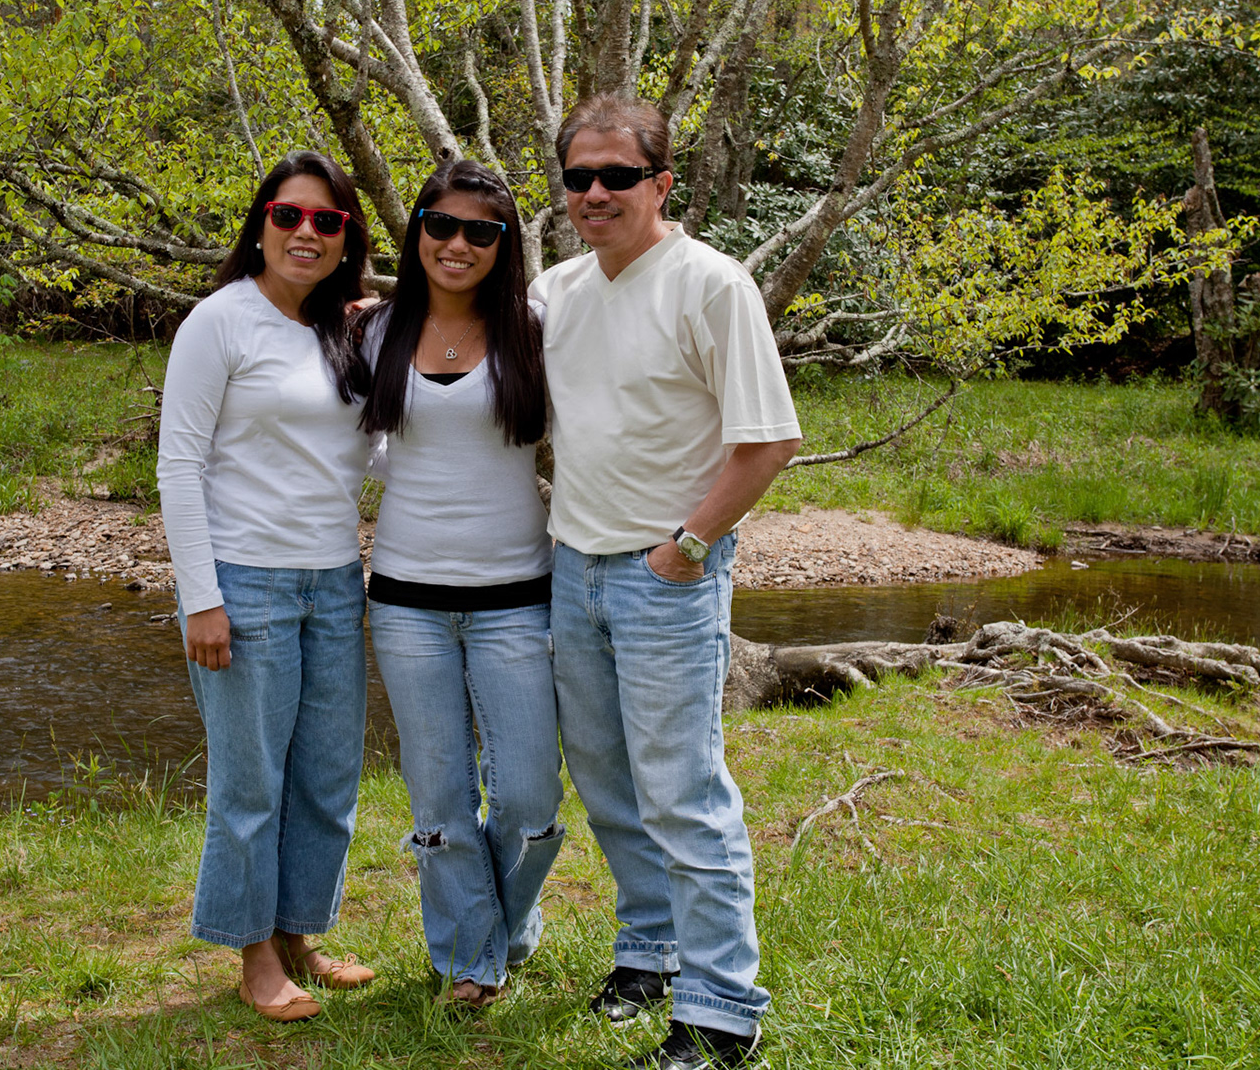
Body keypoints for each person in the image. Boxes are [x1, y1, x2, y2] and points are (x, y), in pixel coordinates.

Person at [531, 95, 802, 1069]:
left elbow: (768, 441)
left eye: (618, 175)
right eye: (579, 177)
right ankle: (649, 952)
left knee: (684, 791)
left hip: (667, 576)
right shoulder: (556, 291)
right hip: (573, 567)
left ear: (662, 183)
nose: (595, 193)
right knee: (608, 781)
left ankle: (724, 1014)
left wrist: (687, 545)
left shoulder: (711, 285)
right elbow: (460, 337)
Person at [157, 151, 380, 1023]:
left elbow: (374, 450)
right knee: (251, 780)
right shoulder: (220, 321)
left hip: (335, 581)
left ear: (347, 237)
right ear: (261, 224)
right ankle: (252, 952)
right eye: (289, 215)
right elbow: (179, 465)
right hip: (243, 582)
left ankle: (298, 933)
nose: (305, 232)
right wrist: (201, 597)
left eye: (328, 221)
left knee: (326, 773)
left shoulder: (347, 331)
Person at [359, 160, 561, 1008]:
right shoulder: (375, 331)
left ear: (504, 244)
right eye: (441, 224)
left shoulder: (536, 328)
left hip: (517, 596)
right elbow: (343, 441)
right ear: (417, 231)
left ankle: (504, 930)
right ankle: (472, 961)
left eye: (482, 230)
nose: (458, 243)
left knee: (531, 798)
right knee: (439, 795)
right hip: (406, 601)